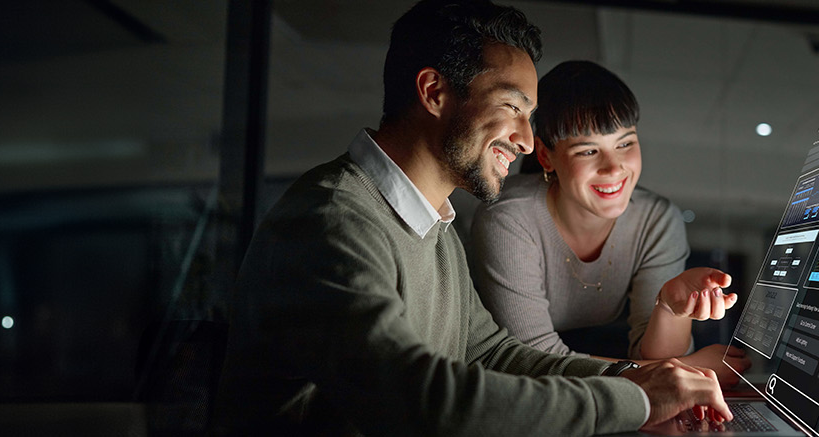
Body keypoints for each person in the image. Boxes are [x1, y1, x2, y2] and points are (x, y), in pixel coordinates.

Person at [213, 1, 733, 435]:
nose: (526, 141)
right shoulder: (332, 220)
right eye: (512, 108)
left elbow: (493, 354)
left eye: (531, 118)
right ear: (434, 92)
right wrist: (634, 402)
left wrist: (635, 380)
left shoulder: (432, 226)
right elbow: (418, 399)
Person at [467, 60, 750, 386]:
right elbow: (530, 358)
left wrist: (671, 309)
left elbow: (656, 361)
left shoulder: (656, 220)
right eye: (588, 151)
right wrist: (688, 369)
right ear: (545, 156)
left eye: (625, 143)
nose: (614, 168)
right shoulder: (508, 217)